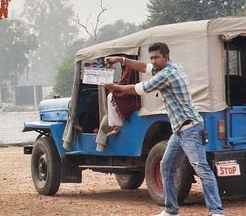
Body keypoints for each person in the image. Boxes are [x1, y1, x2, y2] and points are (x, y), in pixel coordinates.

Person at [105, 42, 224, 216]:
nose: (153, 61)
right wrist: (122, 59)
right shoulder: (171, 67)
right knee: (166, 166)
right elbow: (144, 67)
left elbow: (138, 89)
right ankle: (171, 210)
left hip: (190, 128)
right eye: (152, 57)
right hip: (179, 130)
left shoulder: (167, 75)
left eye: (156, 57)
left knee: (202, 169)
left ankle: (217, 212)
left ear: (166, 56)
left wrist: (115, 88)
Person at [95, 62, 141, 151]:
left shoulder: (130, 67)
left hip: (132, 97)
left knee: (110, 96)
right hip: (134, 93)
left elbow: (124, 84)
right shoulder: (130, 67)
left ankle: (116, 126)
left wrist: (114, 87)